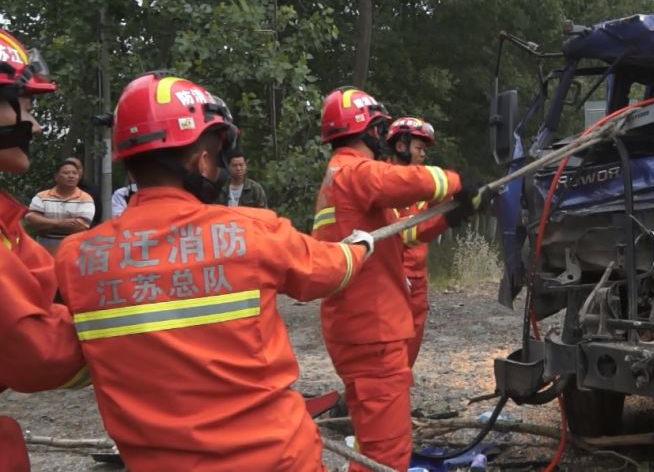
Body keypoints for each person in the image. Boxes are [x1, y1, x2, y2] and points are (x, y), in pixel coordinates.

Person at [52, 72, 375, 472]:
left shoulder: (76, 259)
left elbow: (50, 359)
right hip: (278, 459)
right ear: (202, 160)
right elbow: (329, 270)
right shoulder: (253, 230)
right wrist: (361, 246)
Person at [312, 87, 487, 471]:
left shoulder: (341, 179)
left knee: (375, 442)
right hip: (371, 330)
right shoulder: (353, 171)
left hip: (364, 326)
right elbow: (398, 182)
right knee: (387, 454)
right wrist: (456, 182)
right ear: (368, 129)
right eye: (378, 127)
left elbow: (403, 235)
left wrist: (450, 216)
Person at [0, 29, 88, 468]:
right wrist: (129, 334)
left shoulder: (5, 219)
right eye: (28, 108)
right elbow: (31, 347)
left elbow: (44, 280)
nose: (34, 125)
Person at [386, 116, 448, 366]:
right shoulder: (382, 180)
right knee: (390, 344)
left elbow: (446, 201)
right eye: (419, 148)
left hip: (417, 279)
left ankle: (399, 395)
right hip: (391, 277)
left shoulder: (423, 182)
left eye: (424, 150)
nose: (423, 154)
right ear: (401, 146)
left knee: (412, 342)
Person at [24, 159, 95, 254]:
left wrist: (46, 223)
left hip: (75, 249)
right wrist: (58, 223)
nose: (71, 176)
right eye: (66, 173)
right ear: (56, 177)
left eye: (74, 173)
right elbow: (31, 218)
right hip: (44, 249)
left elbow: (81, 225)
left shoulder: (85, 198)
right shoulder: (41, 196)